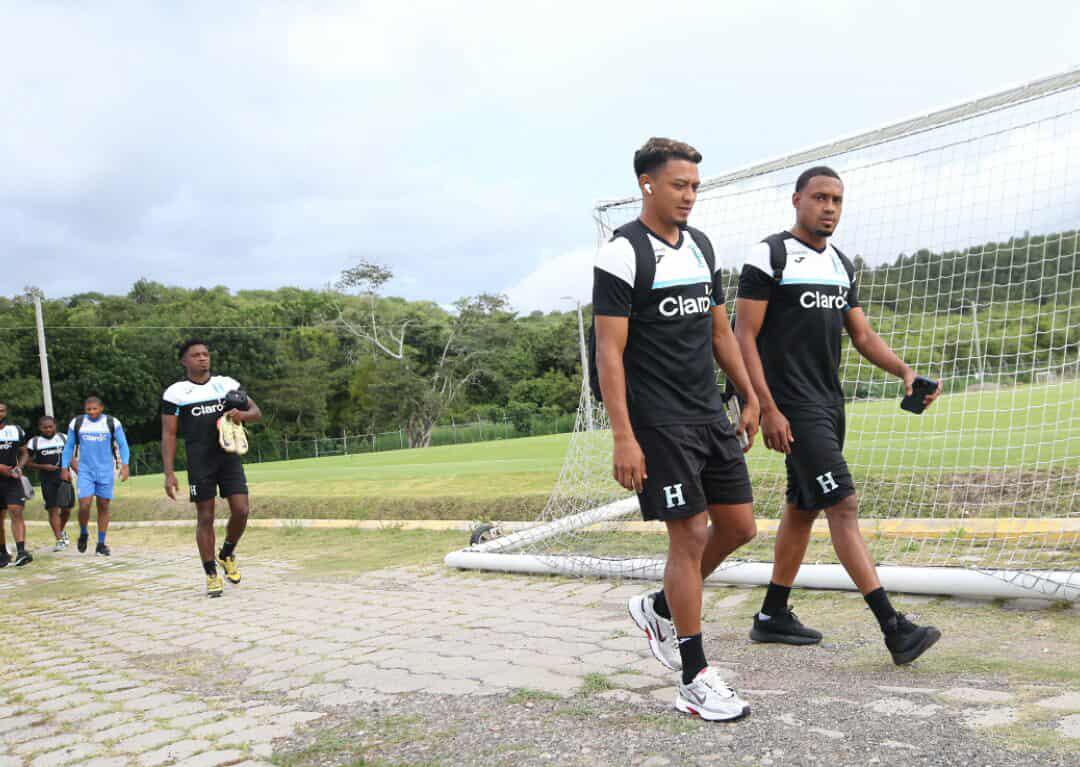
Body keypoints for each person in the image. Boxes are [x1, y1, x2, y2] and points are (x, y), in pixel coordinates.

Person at [734, 166, 943, 665]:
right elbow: (743, 335)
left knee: (803, 507)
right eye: (820, 197)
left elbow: (862, 335)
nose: (829, 207)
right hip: (792, 406)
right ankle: (895, 628)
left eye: (837, 200)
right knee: (842, 504)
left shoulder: (840, 264)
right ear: (796, 200)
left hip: (830, 403)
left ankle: (772, 615)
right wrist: (765, 406)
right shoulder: (770, 255)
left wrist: (904, 372)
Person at [595, 138, 760, 721]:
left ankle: (661, 606)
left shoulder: (700, 246)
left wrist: (748, 394)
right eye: (678, 185)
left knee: (739, 527)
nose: (689, 196)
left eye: (694, 186)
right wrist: (623, 435)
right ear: (647, 184)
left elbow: (720, 332)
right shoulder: (622, 253)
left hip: (707, 414)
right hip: (658, 421)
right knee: (688, 537)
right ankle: (694, 677)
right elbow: (608, 352)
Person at [161, 339, 262, 598]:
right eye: (196, 355)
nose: (202, 358)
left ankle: (226, 554)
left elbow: (256, 411)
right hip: (199, 462)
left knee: (241, 510)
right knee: (205, 517)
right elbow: (169, 433)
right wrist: (169, 473)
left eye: (205, 354)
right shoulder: (176, 392)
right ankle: (211, 574)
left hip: (228, 457)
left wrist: (242, 415)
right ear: (184, 361)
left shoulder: (226, 384)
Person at [60, 396, 130, 556]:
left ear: (101, 408)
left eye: (95, 409)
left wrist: (125, 465)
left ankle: (101, 543)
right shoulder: (77, 423)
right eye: (88, 409)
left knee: (103, 506)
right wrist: (64, 468)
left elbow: (123, 444)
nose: (92, 412)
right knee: (84, 504)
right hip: (85, 470)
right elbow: (69, 446)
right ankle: (84, 532)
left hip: (106, 471)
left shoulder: (112, 423)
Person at [25, 416, 75, 551]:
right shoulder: (34, 442)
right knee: (53, 509)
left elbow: (71, 458)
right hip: (47, 480)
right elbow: (28, 463)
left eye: (50, 426)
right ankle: (59, 539)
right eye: (45, 427)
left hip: (64, 479)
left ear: (55, 426)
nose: (48, 429)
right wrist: (43, 466)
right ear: (40, 428)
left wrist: (78, 473)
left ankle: (61, 530)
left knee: (67, 509)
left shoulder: (64, 438)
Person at [0, 402, 32, 567]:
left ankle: (21, 551)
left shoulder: (16, 430)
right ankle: (2, 553)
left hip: (12, 479)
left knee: (16, 510)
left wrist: (19, 467)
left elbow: (25, 452)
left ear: (5, 412)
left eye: (1, 410)